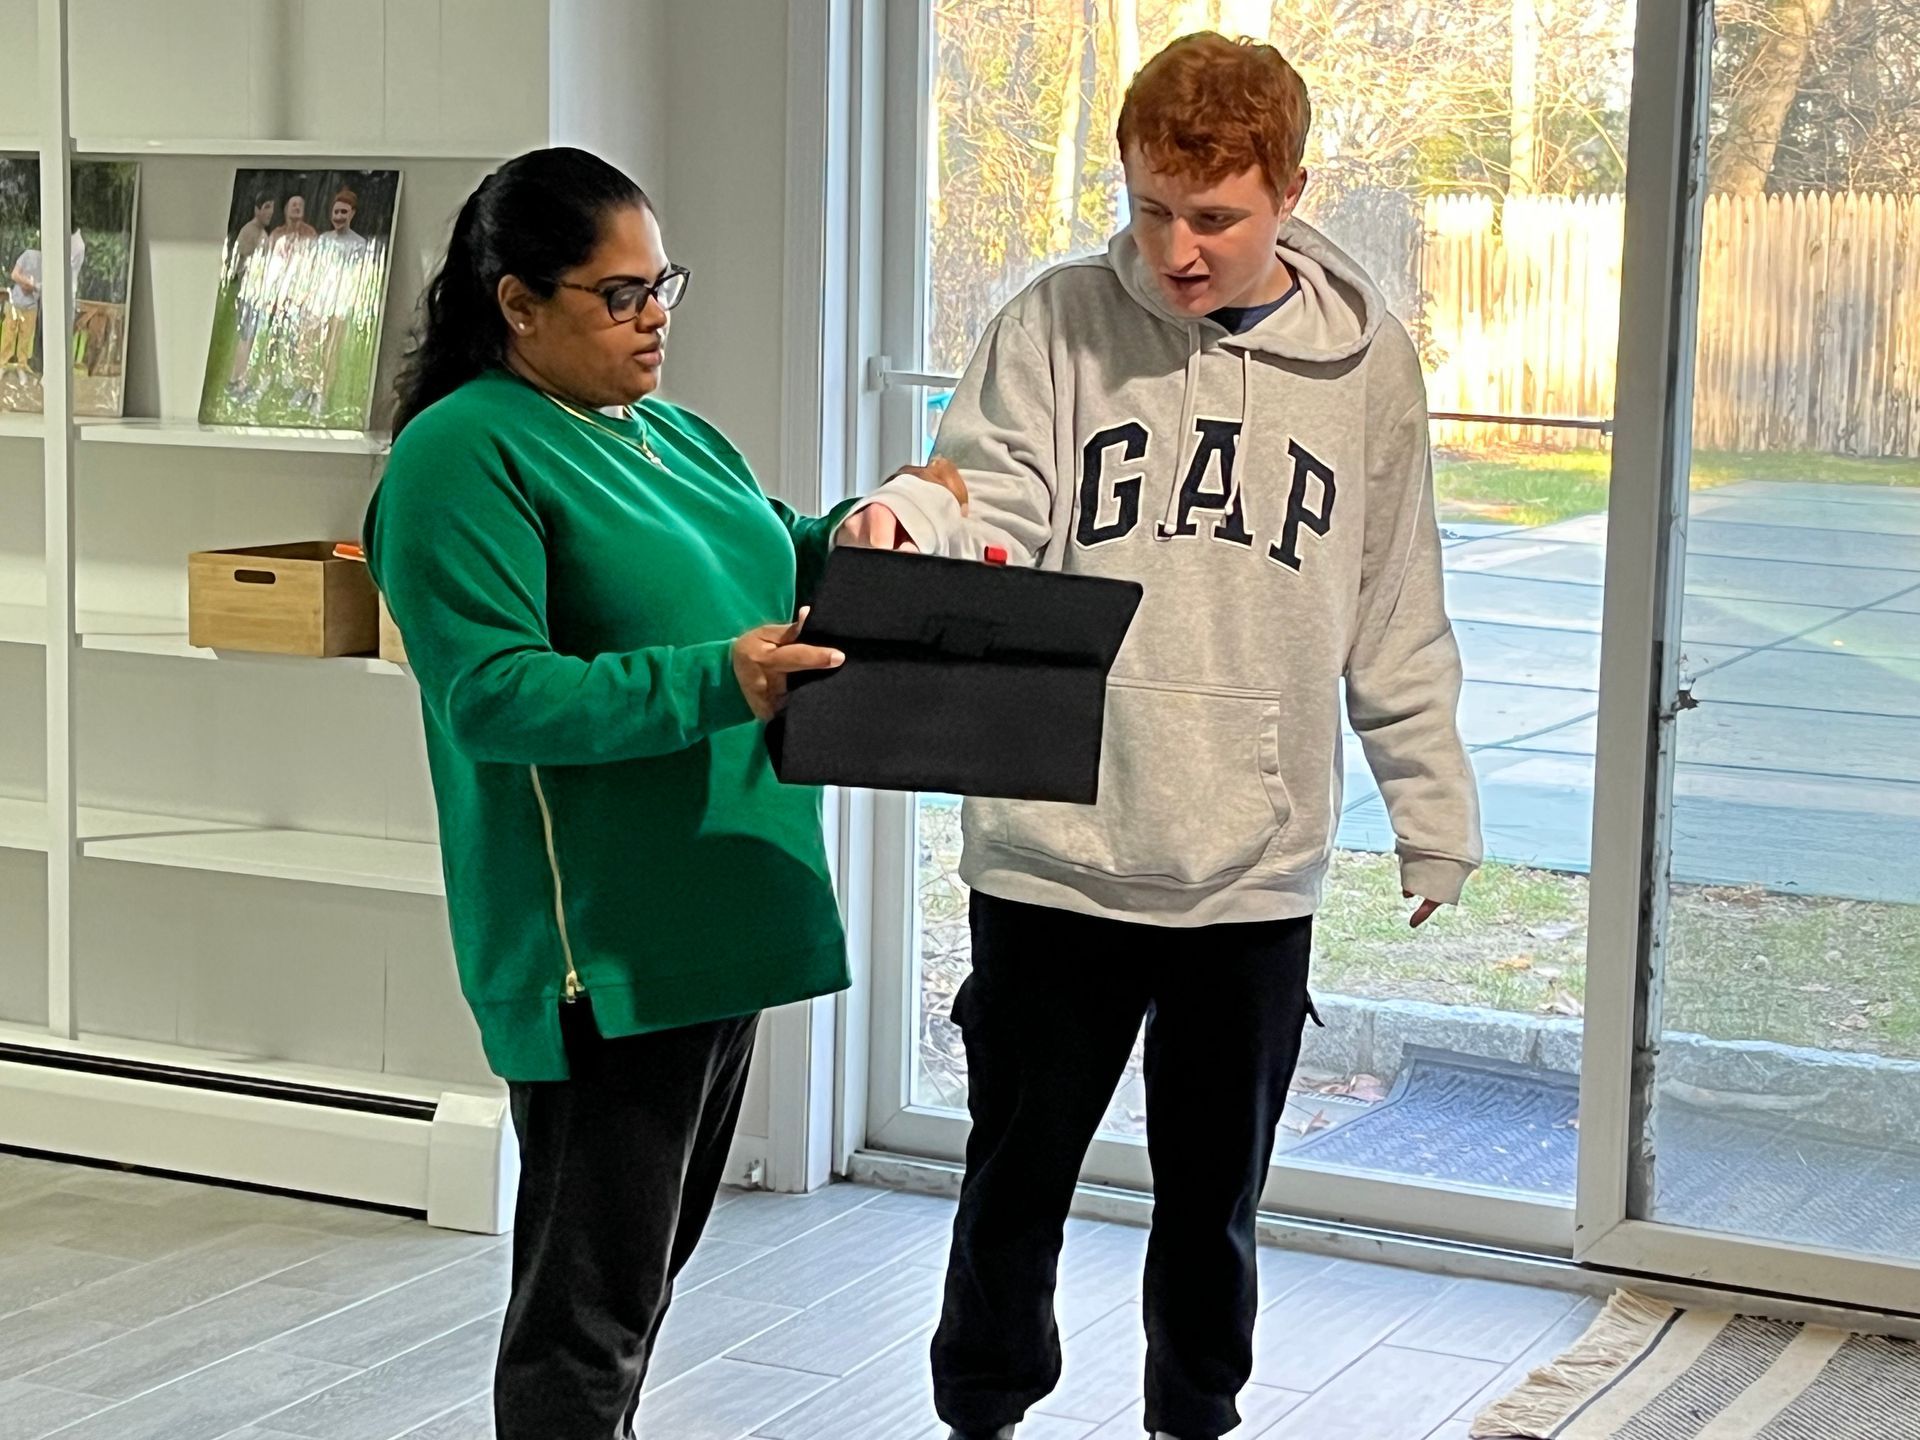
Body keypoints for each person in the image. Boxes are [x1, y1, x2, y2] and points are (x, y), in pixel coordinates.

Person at [848, 33, 1483, 1440]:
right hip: (1056, 848)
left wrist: (1431, 809)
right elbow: (985, 486)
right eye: (1149, 208)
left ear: (1291, 192)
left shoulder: (1367, 368)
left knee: (1215, 1201)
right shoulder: (1055, 322)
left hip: (1251, 867)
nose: (1178, 249)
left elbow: (1394, 602)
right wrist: (910, 516)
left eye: (1215, 217)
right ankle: (981, 1415)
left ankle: (1196, 1420)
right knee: (1014, 1179)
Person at [362, 146, 954, 1439]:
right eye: (617, 294)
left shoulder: (668, 432)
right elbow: (495, 695)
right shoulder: (463, 455)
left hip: (721, 913)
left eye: (662, 285)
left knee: (639, 1292)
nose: (655, 317)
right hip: (606, 954)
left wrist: (863, 530)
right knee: (585, 1319)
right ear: (518, 303)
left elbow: (768, 546)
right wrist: (714, 681)